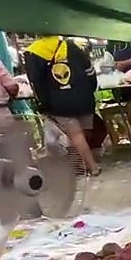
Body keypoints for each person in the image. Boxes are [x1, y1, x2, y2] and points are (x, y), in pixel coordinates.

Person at [23, 35, 102, 176]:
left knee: (76, 135)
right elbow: (90, 71)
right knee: (84, 132)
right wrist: (90, 90)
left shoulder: (33, 52)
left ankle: (92, 166)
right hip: (83, 97)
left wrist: (44, 104)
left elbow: (36, 83)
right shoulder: (73, 46)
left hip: (59, 102)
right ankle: (84, 161)